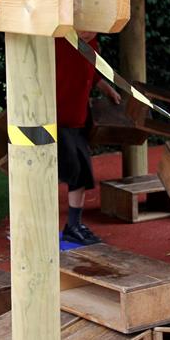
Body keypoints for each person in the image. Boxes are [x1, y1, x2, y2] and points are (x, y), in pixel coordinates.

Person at [56, 31, 121, 245]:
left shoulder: (92, 43)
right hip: (53, 120)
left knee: (82, 172)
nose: (88, 33)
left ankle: (74, 225)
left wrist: (107, 89)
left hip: (77, 119)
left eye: (93, 29)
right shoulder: (56, 40)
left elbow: (92, 73)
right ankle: (40, 226)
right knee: (66, 170)